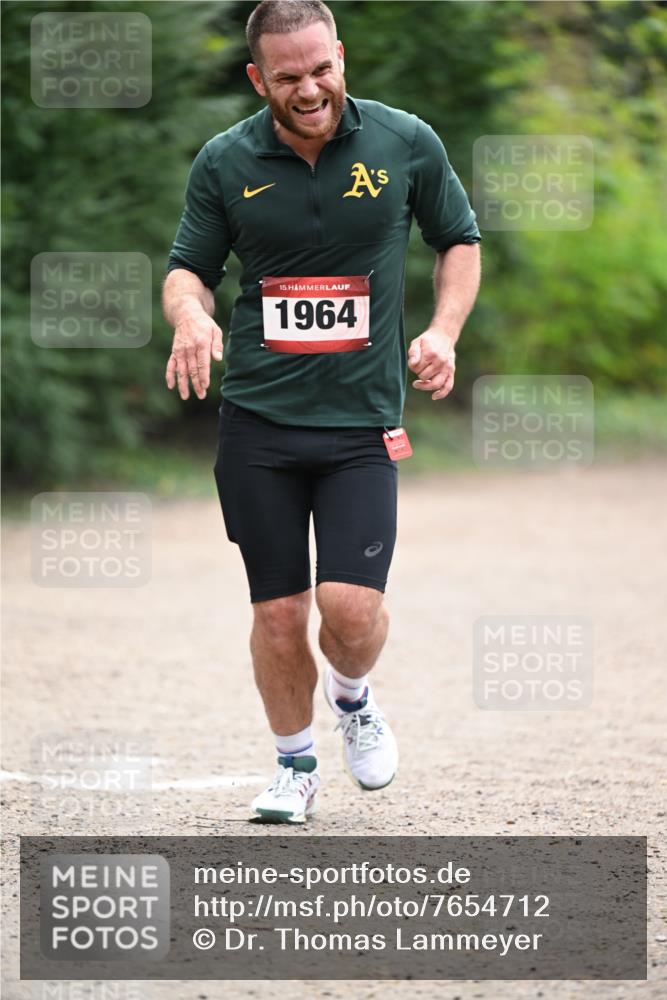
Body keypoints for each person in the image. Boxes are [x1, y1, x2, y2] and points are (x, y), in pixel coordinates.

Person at [163, 0, 481, 823]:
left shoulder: (405, 141)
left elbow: (458, 239)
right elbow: (187, 268)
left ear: (340, 55)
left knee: (350, 609)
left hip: (361, 424)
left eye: (320, 69)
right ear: (257, 78)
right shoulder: (225, 160)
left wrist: (443, 332)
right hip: (258, 422)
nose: (308, 89)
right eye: (287, 77)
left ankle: (353, 696)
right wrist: (191, 315)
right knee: (277, 612)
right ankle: (293, 768)